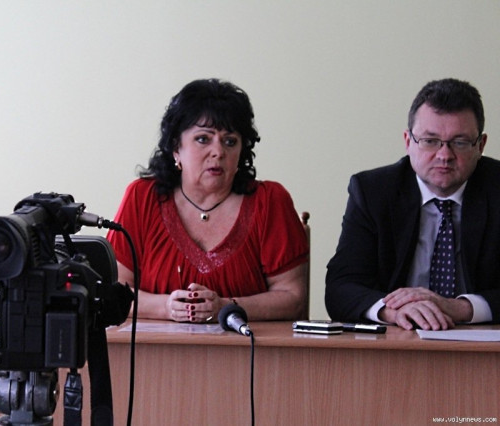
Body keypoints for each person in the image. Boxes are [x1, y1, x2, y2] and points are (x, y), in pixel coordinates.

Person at [107, 78, 309, 323]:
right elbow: (112, 291)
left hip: (247, 346)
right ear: (176, 148)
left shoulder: (270, 202)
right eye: (203, 139)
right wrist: (166, 308)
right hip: (154, 346)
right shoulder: (142, 197)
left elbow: (293, 299)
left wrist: (224, 307)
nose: (218, 152)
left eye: (230, 141)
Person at [326, 78, 500, 331]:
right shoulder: (373, 191)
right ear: (408, 141)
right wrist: (392, 311)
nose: (444, 156)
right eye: (430, 140)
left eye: (460, 142)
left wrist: (460, 308)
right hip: (400, 339)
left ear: (480, 146)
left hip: (482, 344)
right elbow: (340, 287)